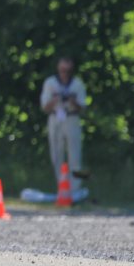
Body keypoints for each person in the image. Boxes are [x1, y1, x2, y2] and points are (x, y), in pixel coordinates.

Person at [39, 56, 88, 189]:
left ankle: (75, 187)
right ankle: (61, 185)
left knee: (75, 153)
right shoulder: (50, 83)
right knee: (56, 153)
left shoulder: (77, 84)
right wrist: (55, 100)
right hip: (56, 117)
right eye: (63, 70)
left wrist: (72, 101)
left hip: (72, 118)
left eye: (68, 71)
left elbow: (83, 107)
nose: (65, 73)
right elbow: (45, 107)